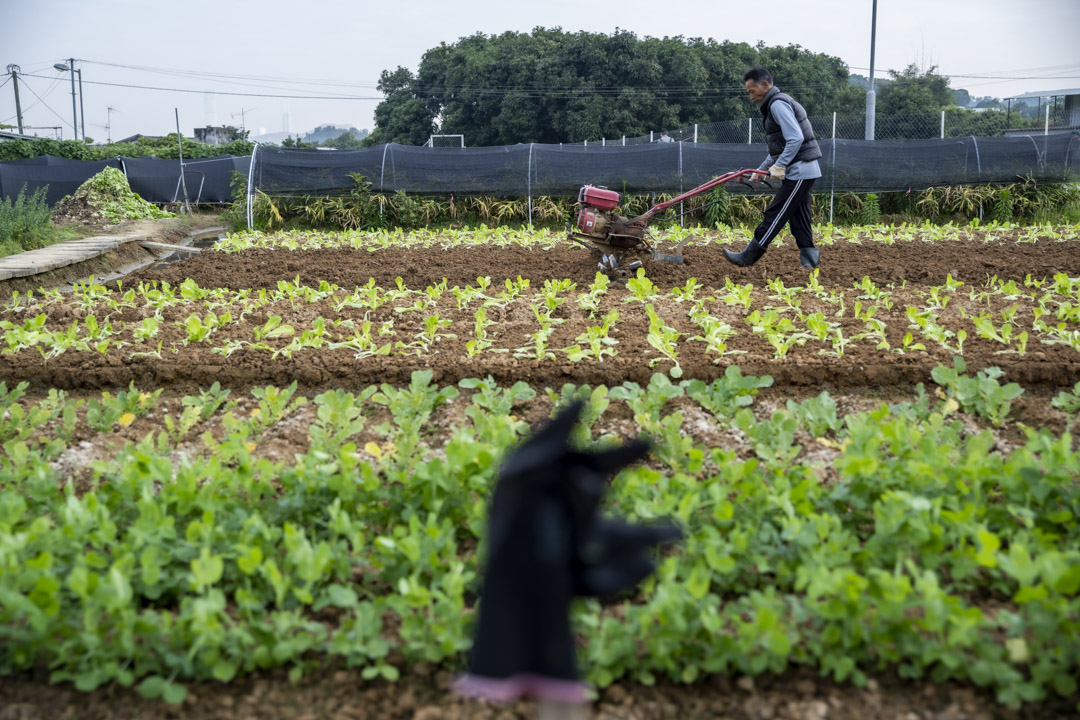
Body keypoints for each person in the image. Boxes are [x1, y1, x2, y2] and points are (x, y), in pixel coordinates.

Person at [724, 67, 822, 269]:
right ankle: (810, 264)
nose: (751, 97)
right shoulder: (776, 104)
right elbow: (779, 148)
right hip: (803, 169)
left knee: (776, 213)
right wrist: (761, 170)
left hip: (800, 170)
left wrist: (780, 166)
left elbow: (796, 139)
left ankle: (748, 256)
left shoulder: (777, 104)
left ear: (766, 85)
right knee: (799, 218)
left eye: (752, 91)